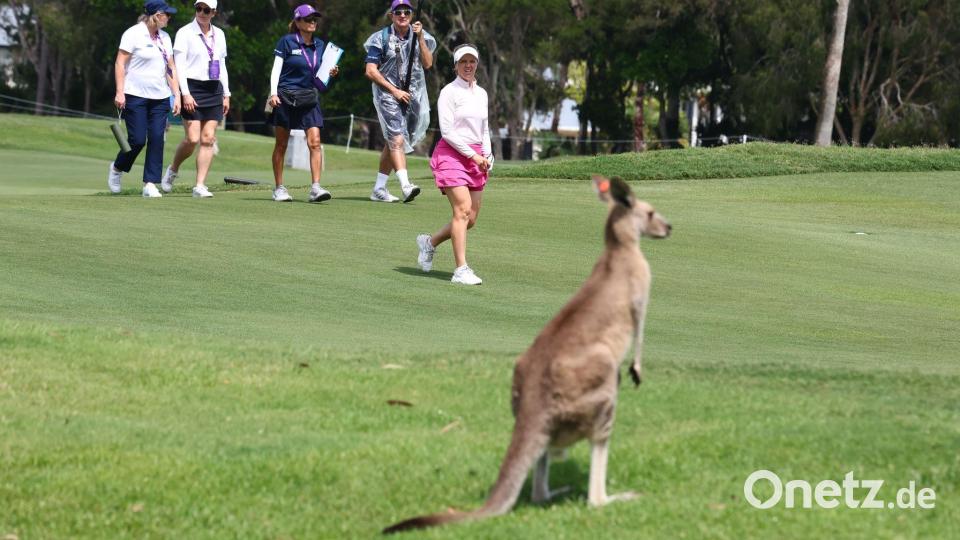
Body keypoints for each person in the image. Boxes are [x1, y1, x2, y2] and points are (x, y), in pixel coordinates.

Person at [416, 45, 493, 285]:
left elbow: (484, 128)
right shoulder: (449, 92)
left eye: (472, 61)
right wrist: (473, 155)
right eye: (463, 62)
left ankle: (430, 242)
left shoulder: (481, 93)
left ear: (477, 64)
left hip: (477, 156)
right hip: (452, 154)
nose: (468, 66)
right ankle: (461, 270)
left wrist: (488, 155)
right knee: (461, 210)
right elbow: (448, 132)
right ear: (456, 65)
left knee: (470, 219)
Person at [363, 0, 436, 203]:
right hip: (388, 95)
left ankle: (379, 188)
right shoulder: (380, 38)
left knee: (392, 139)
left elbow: (428, 63)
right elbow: (370, 70)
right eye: (398, 12)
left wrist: (420, 37)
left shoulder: (419, 35)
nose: (402, 15)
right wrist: (394, 90)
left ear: (411, 14)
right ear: (391, 15)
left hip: (411, 96)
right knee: (396, 139)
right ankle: (405, 185)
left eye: (406, 11)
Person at [108, 0, 182, 198]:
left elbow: (171, 68)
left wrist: (177, 95)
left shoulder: (165, 37)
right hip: (135, 95)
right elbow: (120, 63)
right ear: (156, 15)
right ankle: (117, 168)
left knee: (157, 139)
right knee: (138, 140)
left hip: (160, 97)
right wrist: (120, 91)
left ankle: (150, 183)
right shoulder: (133, 34)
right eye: (166, 14)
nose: (169, 17)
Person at [266, 4, 339, 203]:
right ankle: (279, 188)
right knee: (281, 144)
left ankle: (315, 188)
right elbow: (276, 69)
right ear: (298, 22)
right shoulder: (286, 42)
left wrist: (329, 74)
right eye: (308, 19)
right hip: (285, 97)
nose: (313, 22)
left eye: (315, 19)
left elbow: (318, 78)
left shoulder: (320, 46)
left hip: (309, 97)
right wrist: (273, 93)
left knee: (315, 142)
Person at [161, 0, 230, 199]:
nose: (201, 12)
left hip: (214, 88)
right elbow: (178, 67)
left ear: (214, 13)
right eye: (198, 8)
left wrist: (227, 93)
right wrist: (185, 94)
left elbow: (222, 64)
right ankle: (173, 169)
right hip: (191, 86)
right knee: (192, 138)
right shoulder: (184, 33)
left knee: (208, 138)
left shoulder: (220, 34)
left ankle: (199, 185)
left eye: (206, 10)